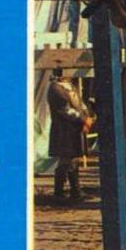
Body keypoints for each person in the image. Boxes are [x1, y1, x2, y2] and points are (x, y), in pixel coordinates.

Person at [47, 70, 94, 203]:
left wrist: (87, 116)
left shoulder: (70, 85)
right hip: (64, 129)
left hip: (74, 128)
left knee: (73, 159)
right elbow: (65, 109)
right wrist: (83, 120)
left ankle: (75, 191)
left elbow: (80, 103)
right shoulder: (55, 88)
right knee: (66, 159)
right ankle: (59, 193)